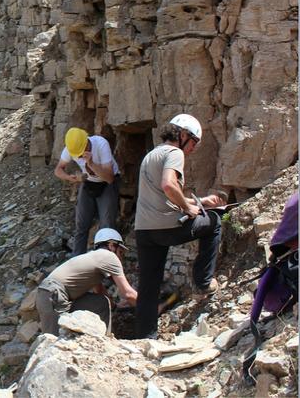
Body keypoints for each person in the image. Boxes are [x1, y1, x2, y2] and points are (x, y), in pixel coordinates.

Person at [134, 114, 225, 339]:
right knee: (214, 222)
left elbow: (163, 195)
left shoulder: (151, 155)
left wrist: (201, 202)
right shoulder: (175, 152)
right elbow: (168, 185)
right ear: (182, 135)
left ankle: (146, 338)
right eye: (194, 142)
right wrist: (187, 208)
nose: (193, 148)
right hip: (167, 228)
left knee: (148, 287)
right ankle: (203, 283)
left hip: (145, 231)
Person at [36, 228, 138, 335]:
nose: (121, 256)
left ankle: (104, 341)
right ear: (111, 245)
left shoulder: (92, 258)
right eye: (120, 251)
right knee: (54, 341)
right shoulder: (110, 256)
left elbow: (99, 292)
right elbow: (128, 293)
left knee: (101, 303)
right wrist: (151, 308)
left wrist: (116, 307)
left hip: (53, 293)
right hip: (53, 294)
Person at [54, 127, 121, 256]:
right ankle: (77, 261)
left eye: (80, 153)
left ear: (86, 143)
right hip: (89, 183)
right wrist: (70, 178)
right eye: (76, 154)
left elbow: (110, 178)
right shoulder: (71, 148)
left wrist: (91, 164)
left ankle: (105, 261)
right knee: (81, 224)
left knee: (107, 225)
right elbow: (58, 170)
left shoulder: (101, 144)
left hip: (106, 183)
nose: (78, 156)